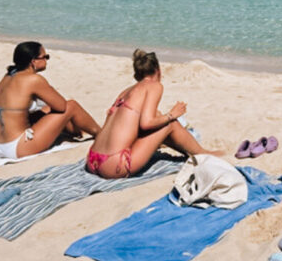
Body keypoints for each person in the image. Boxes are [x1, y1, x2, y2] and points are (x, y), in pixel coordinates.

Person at [86, 49, 225, 178]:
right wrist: (172, 114)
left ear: (137, 75)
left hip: (93, 160)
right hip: (114, 165)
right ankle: (202, 154)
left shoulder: (126, 92)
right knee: (171, 124)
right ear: (158, 71)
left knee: (159, 117)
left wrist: (161, 117)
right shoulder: (154, 86)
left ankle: (192, 152)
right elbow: (146, 123)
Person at [0, 42, 100, 158]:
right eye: (45, 57)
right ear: (33, 61)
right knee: (72, 105)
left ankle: (74, 132)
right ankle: (100, 134)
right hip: (15, 148)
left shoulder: (9, 76)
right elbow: (62, 106)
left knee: (46, 109)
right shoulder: (33, 80)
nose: (47, 60)